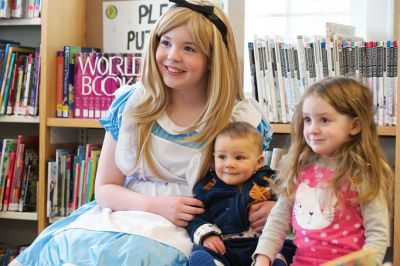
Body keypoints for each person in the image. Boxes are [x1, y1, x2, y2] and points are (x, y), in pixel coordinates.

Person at [11, 1, 275, 265]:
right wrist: (157, 206)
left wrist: (271, 209)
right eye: (166, 42)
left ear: (212, 59)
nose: (172, 56)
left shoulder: (237, 117)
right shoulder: (133, 105)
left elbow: (257, 183)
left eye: (189, 48)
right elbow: (105, 188)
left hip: (198, 227)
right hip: (125, 213)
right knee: (67, 249)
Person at [253, 77, 393, 266]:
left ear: (354, 126)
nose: (312, 129)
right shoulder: (299, 167)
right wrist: (263, 256)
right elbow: (278, 219)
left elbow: (377, 234)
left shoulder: (361, 174)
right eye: (308, 120)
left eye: (324, 120)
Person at [187, 121, 286, 266]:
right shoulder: (207, 187)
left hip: (262, 245)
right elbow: (196, 215)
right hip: (225, 247)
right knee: (202, 253)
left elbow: (292, 204)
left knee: (283, 252)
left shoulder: (270, 181)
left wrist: (277, 206)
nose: (229, 164)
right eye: (222, 157)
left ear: (258, 161)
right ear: (213, 158)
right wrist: (207, 236)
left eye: (239, 158)